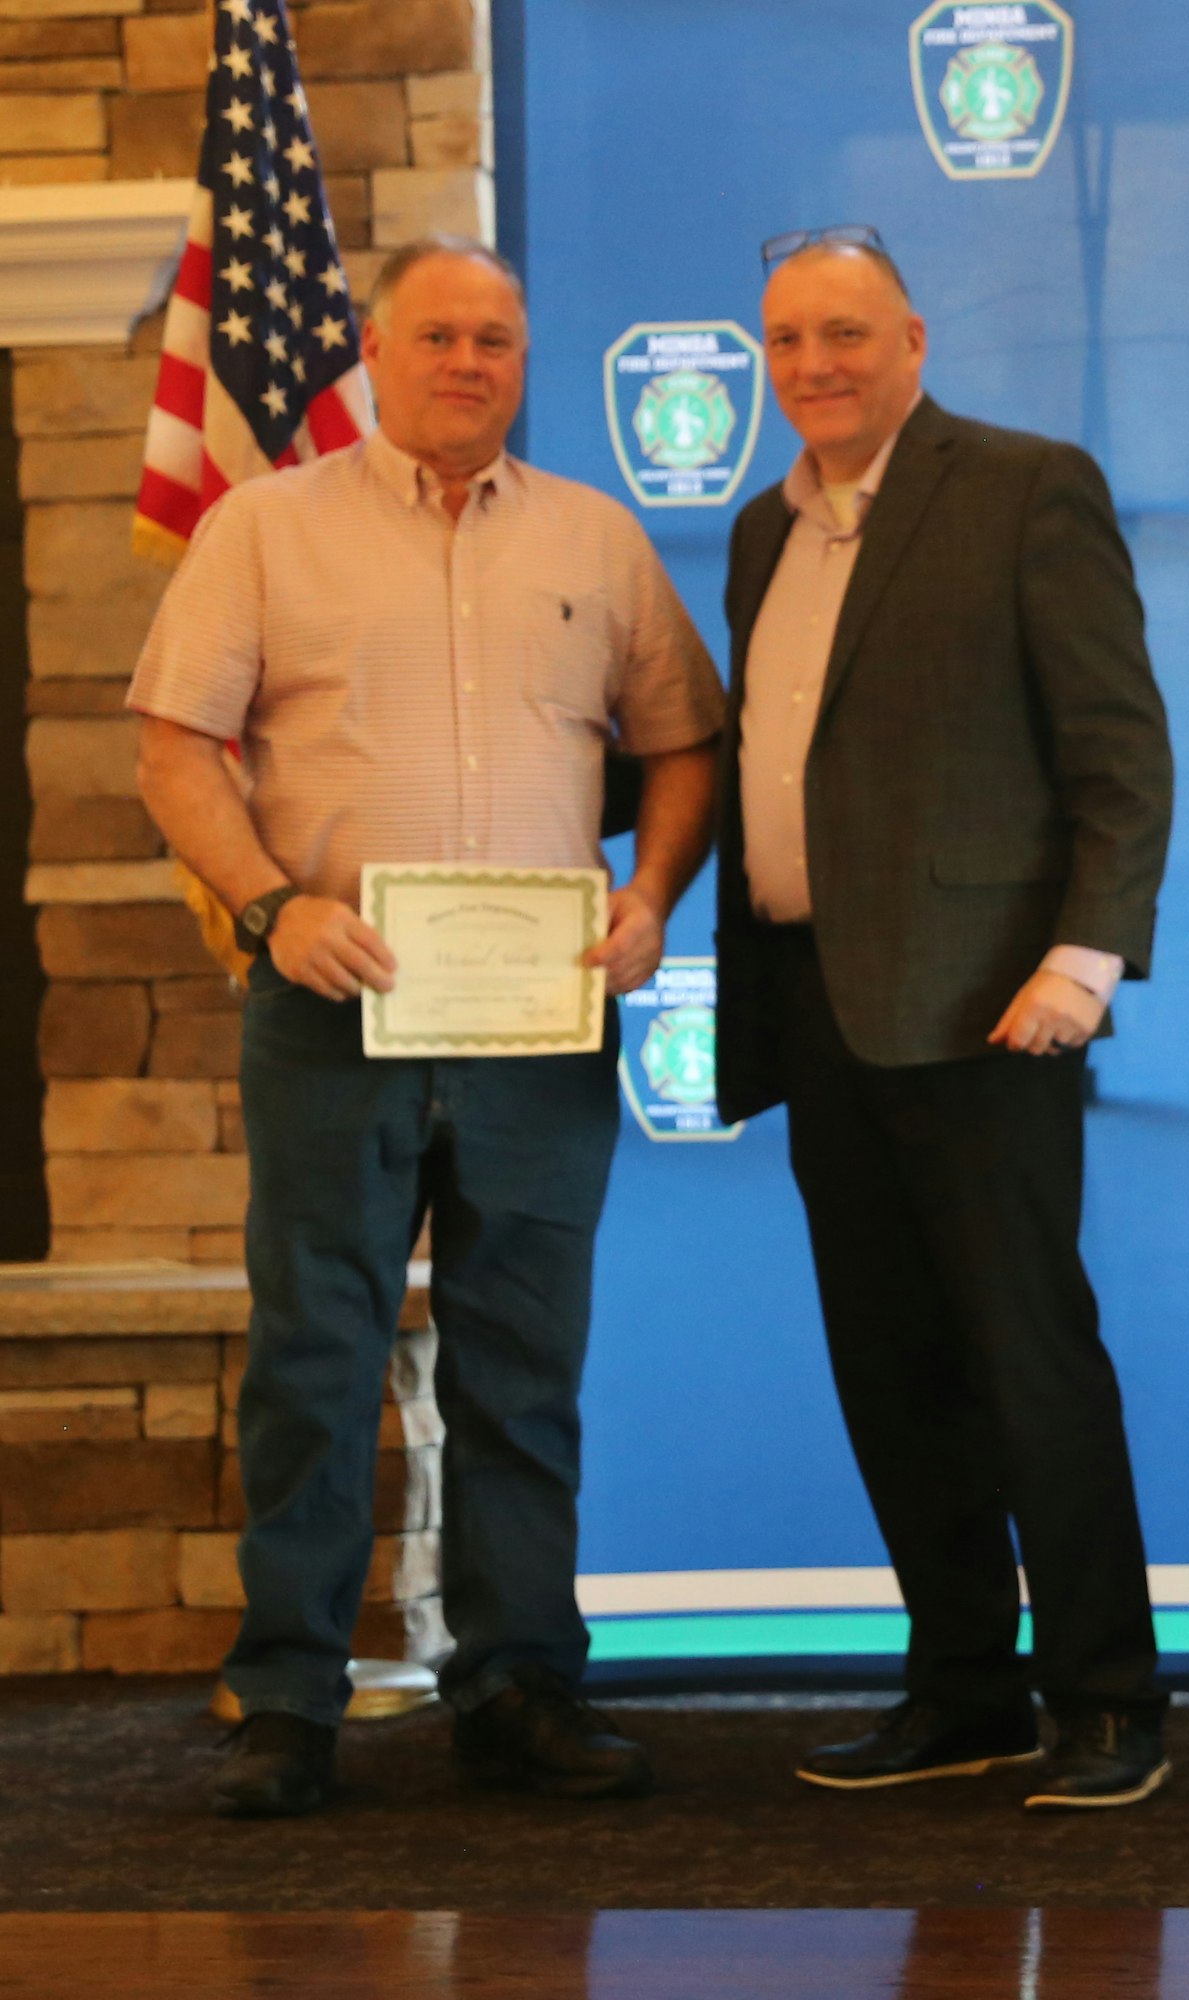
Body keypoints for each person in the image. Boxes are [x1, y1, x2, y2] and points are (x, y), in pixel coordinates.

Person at [131, 236, 724, 1816]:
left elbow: (681, 746)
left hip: (537, 1024)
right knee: (315, 1357)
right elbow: (175, 746)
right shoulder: (264, 528)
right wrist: (269, 906)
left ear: (523, 361)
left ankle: (520, 1687)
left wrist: (653, 895)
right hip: (333, 1005)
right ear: (372, 356)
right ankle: (287, 1707)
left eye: (497, 339)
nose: (469, 362)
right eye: (439, 335)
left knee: (523, 1368)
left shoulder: (596, 541)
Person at [713, 227, 1174, 1810]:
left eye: (841, 331)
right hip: (816, 1007)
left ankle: (1108, 1700)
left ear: (910, 335)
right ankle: (965, 1688)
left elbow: (1118, 751)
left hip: (992, 1017)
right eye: (783, 340)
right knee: (890, 1369)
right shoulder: (756, 535)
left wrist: (1083, 962)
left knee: (1028, 1360)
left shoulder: (1024, 487)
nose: (811, 365)